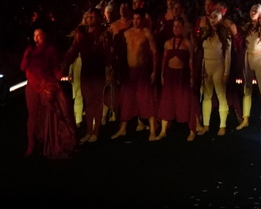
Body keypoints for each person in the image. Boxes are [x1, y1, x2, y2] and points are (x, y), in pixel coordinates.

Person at [21, 28, 76, 159]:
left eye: (39, 35)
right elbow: (23, 67)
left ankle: (48, 141)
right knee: (33, 114)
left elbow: (55, 69)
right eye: (34, 35)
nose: (36, 38)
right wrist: (26, 56)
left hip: (46, 85)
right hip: (33, 85)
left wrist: (63, 77)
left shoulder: (51, 50)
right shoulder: (30, 50)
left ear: (44, 36)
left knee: (49, 115)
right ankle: (31, 144)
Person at [111, 9, 158, 140]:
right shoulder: (126, 33)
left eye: (139, 19)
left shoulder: (147, 33)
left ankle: (153, 131)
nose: (136, 21)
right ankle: (123, 129)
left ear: (143, 19)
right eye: (135, 19)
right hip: (129, 72)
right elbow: (120, 54)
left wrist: (154, 70)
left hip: (142, 71)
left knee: (146, 98)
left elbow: (154, 52)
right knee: (127, 99)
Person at [63, 8, 108, 143]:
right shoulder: (82, 35)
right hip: (86, 71)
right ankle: (89, 131)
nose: (90, 19)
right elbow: (73, 50)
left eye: (93, 17)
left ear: (99, 19)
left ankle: (96, 131)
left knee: (97, 101)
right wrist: (65, 64)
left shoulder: (102, 34)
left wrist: (110, 69)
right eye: (89, 17)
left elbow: (108, 53)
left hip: (98, 71)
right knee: (88, 103)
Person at [236, 3, 261, 132]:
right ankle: (245, 119)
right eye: (252, 10)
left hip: (259, 60)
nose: (253, 12)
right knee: (246, 90)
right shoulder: (246, 28)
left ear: (260, 14)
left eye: (256, 10)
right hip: (248, 59)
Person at [155, 18, 197, 141]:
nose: (176, 28)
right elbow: (164, 61)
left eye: (178, 26)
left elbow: (191, 62)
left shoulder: (187, 43)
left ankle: (192, 130)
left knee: (186, 101)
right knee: (166, 101)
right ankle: (163, 130)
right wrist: (162, 75)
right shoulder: (167, 43)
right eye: (174, 26)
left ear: (183, 28)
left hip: (182, 76)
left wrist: (192, 77)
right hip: (169, 75)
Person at [197, 9, 231, 136]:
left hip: (219, 66)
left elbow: (228, 55)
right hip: (206, 66)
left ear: (220, 19)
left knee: (221, 95)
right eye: (211, 17)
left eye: (215, 17)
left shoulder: (225, 34)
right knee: (206, 96)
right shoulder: (205, 33)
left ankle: (222, 125)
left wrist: (226, 72)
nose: (212, 19)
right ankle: (206, 125)